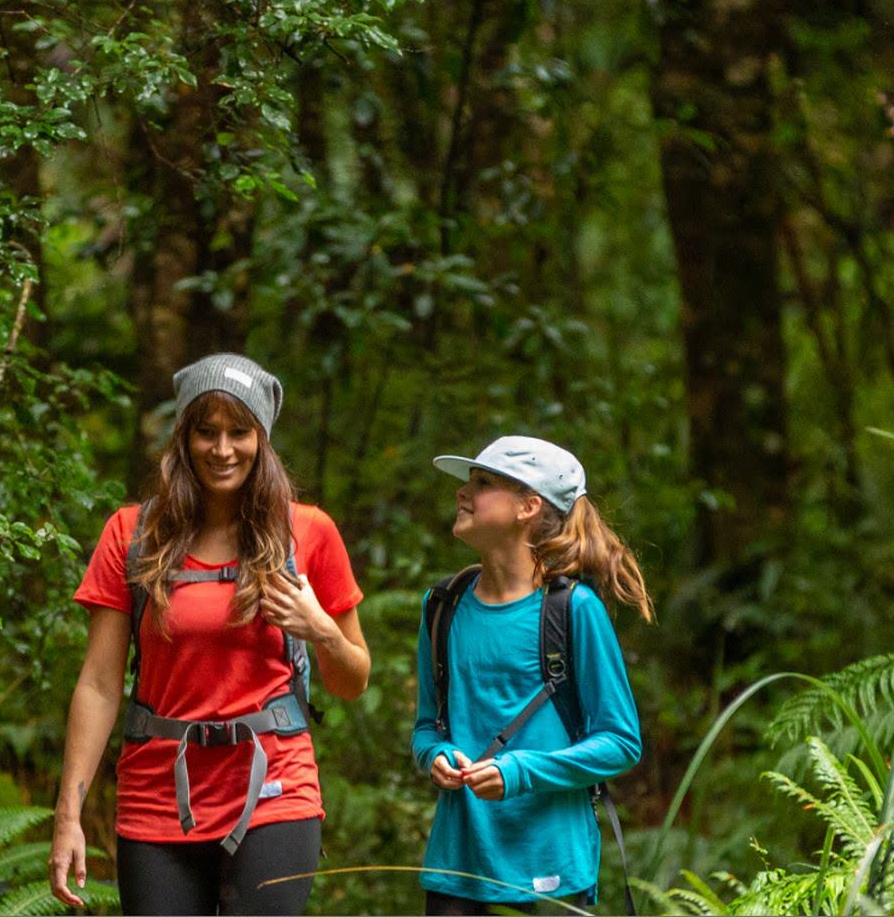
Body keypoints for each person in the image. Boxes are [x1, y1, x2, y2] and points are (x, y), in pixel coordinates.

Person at [48, 353, 370, 915]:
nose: (223, 450)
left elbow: (352, 680)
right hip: (156, 796)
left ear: (261, 439)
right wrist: (68, 816)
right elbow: (99, 684)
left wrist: (321, 631)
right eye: (206, 432)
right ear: (184, 438)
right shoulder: (132, 534)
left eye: (239, 432)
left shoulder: (308, 533)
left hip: (275, 791)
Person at [413, 436, 652, 916]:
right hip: (457, 866)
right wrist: (435, 756)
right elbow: (426, 728)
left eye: (482, 483)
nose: (463, 492)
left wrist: (518, 771)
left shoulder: (573, 611)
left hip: (548, 870)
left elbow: (621, 741)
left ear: (528, 506)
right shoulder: (442, 607)